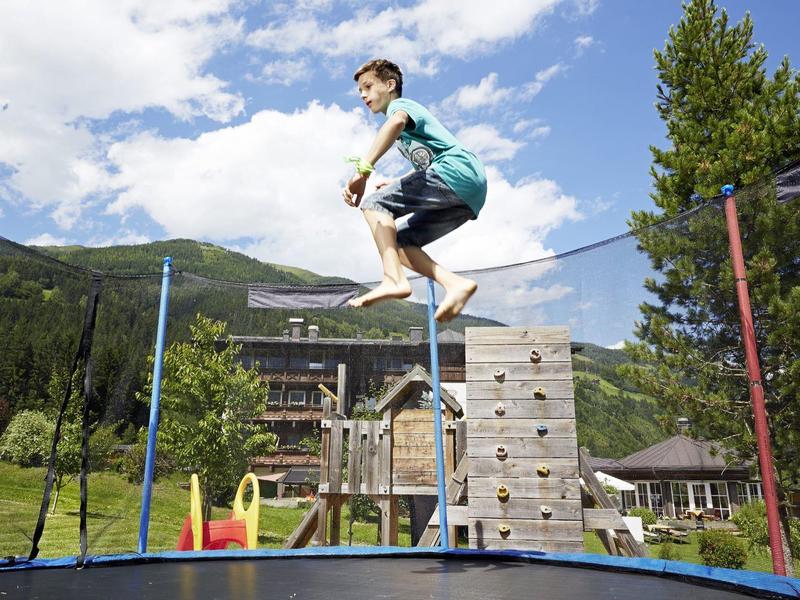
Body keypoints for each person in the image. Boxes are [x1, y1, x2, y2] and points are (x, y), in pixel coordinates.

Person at [342, 59, 487, 322]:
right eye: (360, 91)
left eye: (368, 86)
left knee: (374, 204)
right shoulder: (407, 134)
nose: (363, 95)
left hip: (456, 171)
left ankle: (392, 279)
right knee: (400, 243)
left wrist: (362, 171)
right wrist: (398, 181)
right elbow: (428, 165)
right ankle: (455, 284)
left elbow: (396, 123)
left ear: (390, 84)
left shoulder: (401, 107)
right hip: (467, 195)